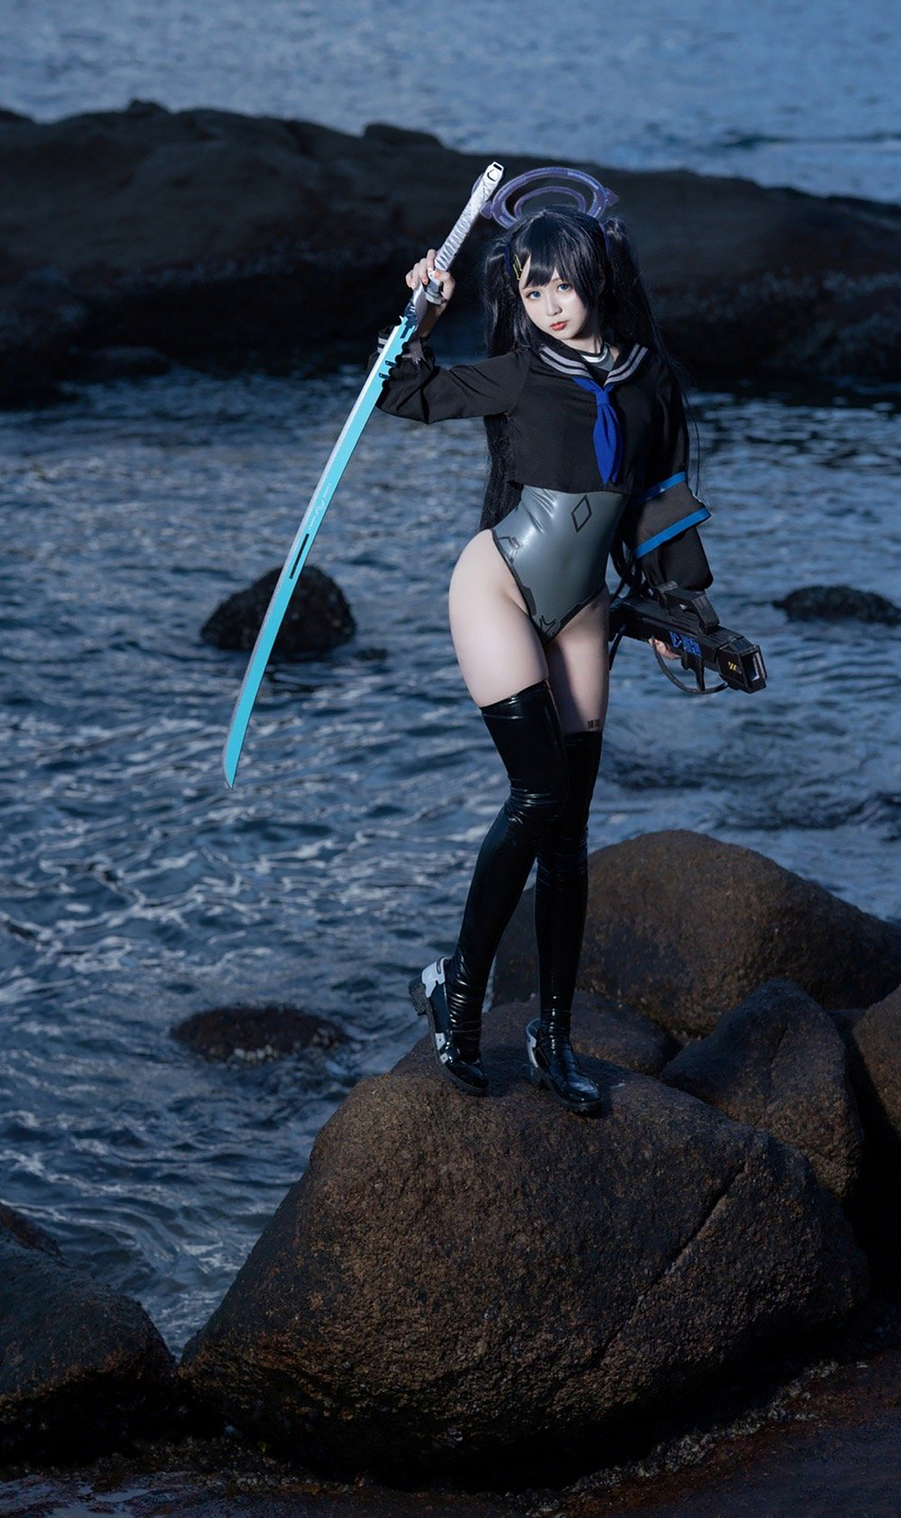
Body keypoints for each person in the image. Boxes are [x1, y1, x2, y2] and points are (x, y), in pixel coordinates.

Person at [377, 178, 713, 1115]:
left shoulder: (649, 377)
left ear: (597, 275)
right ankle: (459, 989)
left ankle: (553, 1038)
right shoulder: (520, 372)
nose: (551, 304)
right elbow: (403, 393)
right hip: (497, 587)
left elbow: (662, 500)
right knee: (538, 791)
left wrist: (677, 610)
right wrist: (423, 313)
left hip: (585, 608)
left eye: (562, 284)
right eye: (532, 289)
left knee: (569, 834)